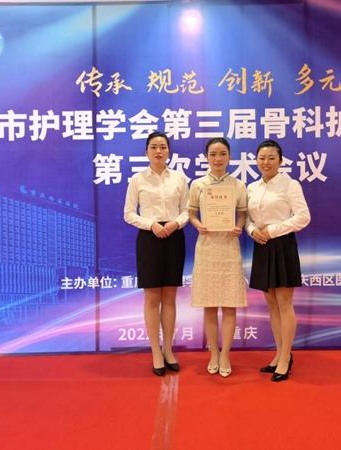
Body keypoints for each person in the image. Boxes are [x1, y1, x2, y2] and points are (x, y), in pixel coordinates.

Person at [124, 131, 189, 376]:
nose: (158, 151)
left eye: (162, 147)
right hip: (149, 237)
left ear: (169, 151)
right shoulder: (137, 179)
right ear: (146, 152)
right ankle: (155, 351)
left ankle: (168, 350)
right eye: (153, 147)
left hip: (174, 237)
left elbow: (187, 211)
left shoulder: (180, 178)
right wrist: (151, 224)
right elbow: (129, 213)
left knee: (169, 297)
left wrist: (175, 223)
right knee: (152, 297)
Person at [246, 140, 310, 382]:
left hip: (282, 245)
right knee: (271, 303)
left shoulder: (290, 185)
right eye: (262, 158)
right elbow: (248, 218)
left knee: (284, 303)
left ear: (280, 161)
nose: (266, 162)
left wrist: (273, 230)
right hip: (262, 245)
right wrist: (252, 231)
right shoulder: (252, 187)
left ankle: (285, 358)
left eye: (271, 158)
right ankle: (279, 353)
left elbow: (303, 217)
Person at [189, 138, 247, 378]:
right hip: (207, 247)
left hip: (229, 247)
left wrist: (239, 226)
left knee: (230, 305)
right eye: (213, 154)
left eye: (223, 153)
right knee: (210, 305)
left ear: (230, 157)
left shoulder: (238, 185)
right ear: (207, 157)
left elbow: (242, 214)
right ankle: (214, 353)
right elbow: (191, 213)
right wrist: (198, 225)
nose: (218, 158)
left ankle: (225, 355)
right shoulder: (198, 184)